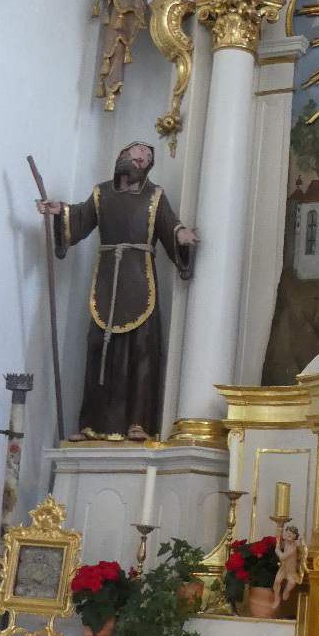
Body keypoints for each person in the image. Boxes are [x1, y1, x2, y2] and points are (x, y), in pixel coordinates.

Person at [36, 142, 197, 441]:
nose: (142, 158)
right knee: (99, 348)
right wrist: (61, 212)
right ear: (123, 156)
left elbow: (169, 226)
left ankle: (138, 422)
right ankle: (92, 425)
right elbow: (80, 218)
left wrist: (180, 235)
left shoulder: (155, 196)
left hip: (140, 281)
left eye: (147, 157)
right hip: (108, 281)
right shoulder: (102, 193)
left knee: (141, 351)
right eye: (137, 153)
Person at [272, 523, 307, 609]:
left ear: (295, 536)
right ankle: (276, 599)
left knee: (292, 583)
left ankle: (287, 590)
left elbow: (282, 556)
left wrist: (277, 551)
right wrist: (278, 535)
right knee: (277, 582)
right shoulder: (286, 542)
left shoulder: (293, 548)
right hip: (283, 568)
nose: (288, 536)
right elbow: (280, 545)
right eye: (287, 534)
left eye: (291, 535)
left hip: (290, 570)